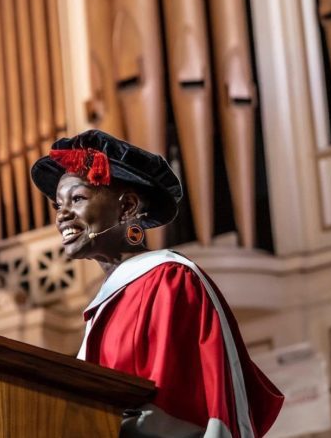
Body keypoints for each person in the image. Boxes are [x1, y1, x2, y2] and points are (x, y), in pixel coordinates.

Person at [30, 130, 283, 438]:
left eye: (78, 198)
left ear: (128, 208)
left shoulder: (168, 281)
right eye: (58, 205)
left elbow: (176, 409)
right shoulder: (107, 304)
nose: (62, 216)